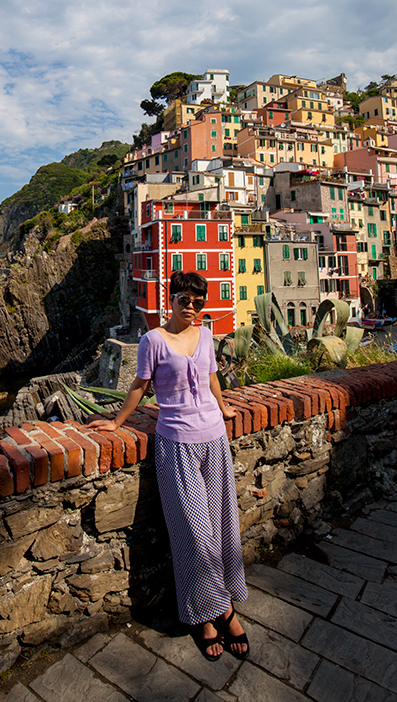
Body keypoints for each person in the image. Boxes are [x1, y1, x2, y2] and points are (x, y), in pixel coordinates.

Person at [89, 270, 249, 662]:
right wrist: (116, 423)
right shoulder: (153, 341)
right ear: (171, 299)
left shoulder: (207, 336)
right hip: (176, 442)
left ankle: (216, 610)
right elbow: (140, 386)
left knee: (222, 527)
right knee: (194, 535)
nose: (191, 306)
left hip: (214, 438)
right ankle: (216, 613)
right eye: (184, 299)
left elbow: (212, 377)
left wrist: (226, 407)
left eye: (198, 300)